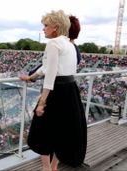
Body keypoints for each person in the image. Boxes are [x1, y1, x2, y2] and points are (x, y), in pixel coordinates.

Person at [20, 10, 87, 171]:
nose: (43, 29)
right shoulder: (70, 45)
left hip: (56, 92)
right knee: (62, 131)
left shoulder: (53, 44)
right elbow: (48, 67)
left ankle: (46, 168)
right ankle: (54, 166)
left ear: (55, 27)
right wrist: (32, 77)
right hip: (70, 91)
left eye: (46, 25)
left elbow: (50, 75)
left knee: (43, 131)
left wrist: (42, 103)